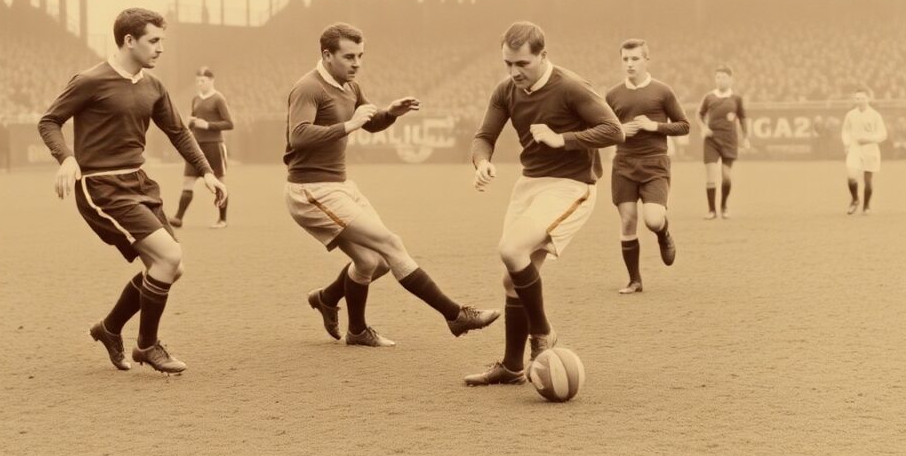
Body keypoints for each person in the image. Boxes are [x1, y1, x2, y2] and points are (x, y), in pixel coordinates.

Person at [286, 22, 499, 347]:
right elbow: (298, 135)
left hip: (339, 185)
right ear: (327, 55)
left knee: (375, 262)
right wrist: (348, 125)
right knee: (391, 243)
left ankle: (341, 314)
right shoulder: (308, 88)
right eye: (348, 56)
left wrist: (390, 114)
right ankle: (455, 315)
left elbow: (369, 124)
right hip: (310, 190)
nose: (356, 63)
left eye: (360, 56)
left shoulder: (349, 86)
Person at [38, 8, 227, 374]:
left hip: (140, 182)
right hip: (102, 187)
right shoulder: (90, 80)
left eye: (162, 42)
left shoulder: (153, 86)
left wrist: (206, 171)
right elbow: (49, 121)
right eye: (153, 41)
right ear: (129, 40)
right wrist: (66, 158)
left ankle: (109, 329)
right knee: (168, 258)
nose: (160, 49)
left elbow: (178, 132)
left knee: (173, 267)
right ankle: (147, 346)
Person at [465, 22, 624, 386]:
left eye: (522, 63)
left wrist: (561, 139)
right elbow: (483, 136)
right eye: (508, 63)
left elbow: (615, 130)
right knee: (511, 278)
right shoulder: (506, 90)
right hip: (529, 186)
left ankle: (542, 334)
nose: (514, 72)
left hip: (571, 186)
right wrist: (483, 162)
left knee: (511, 248)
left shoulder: (570, 87)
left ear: (543, 56)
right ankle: (511, 367)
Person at [604, 38, 689, 294]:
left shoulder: (662, 91)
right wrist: (619, 130)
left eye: (635, 59)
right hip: (623, 164)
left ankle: (664, 234)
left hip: (655, 164)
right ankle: (635, 280)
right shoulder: (613, 95)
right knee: (628, 220)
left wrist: (655, 126)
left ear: (646, 60)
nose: (629, 64)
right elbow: (601, 129)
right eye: (625, 59)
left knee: (653, 220)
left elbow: (684, 125)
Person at [169, 67, 234, 228]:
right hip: (196, 147)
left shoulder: (218, 99)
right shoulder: (195, 99)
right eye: (197, 81)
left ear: (212, 81)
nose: (199, 84)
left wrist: (208, 125)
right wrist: (190, 122)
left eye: (203, 81)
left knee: (218, 182)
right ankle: (178, 218)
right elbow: (193, 120)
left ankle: (222, 219)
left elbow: (229, 123)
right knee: (187, 182)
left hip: (214, 146)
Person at [697, 66, 749, 219]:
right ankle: (712, 210)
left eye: (723, 77)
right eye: (718, 77)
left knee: (726, 177)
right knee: (711, 175)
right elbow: (699, 115)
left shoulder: (736, 99)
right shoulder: (709, 97)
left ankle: (724, 206)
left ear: (731, 79)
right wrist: (703, 127)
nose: (720, 80)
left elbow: (743, 118)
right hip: (711, 140)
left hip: (729, 140)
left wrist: (745, 137)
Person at [841, 88, 887, 215]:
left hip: (870, 150)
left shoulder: (875, 115)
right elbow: (845, 131)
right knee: (851, 176)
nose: (859, 100)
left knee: (867, 180)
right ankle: (855, 199)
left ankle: (866, 206)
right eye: (857, 98)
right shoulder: (850, 115)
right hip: (855, 149)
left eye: (862, 98)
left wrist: (869, 139)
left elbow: (883, 134)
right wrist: (847, 144)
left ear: (868, 99)